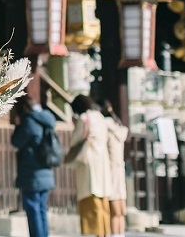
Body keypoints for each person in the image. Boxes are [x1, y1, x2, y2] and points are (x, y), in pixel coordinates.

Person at [10, 94, 56, 237]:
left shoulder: (29, 121)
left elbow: (16, 141)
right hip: (45, 170)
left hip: (32, 172)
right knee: (41, 208)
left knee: (32, 207)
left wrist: (18, 125)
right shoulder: (46, 118)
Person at [66, 95, 111, 237]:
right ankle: (104, 232)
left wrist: (75, 125)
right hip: (102, 160)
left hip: (89, 160)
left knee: (89, 197)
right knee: (102, 198)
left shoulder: (84, 118)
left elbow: (75, 141)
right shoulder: (100, 117)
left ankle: (91, 232)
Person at [100, 100, 129, 237]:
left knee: (112, 210)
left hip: (109, 169)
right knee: (120, 212)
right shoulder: (118, 125)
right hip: (119, 169)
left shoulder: (104, 126)